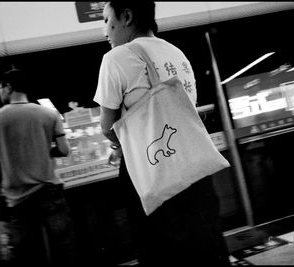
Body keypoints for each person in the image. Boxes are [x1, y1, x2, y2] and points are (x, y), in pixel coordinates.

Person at [93, 2, 231, 266]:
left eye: (106, 20)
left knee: (160, 251)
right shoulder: (177, 53)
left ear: (127, 16)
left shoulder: (116, 58)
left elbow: (107, 127)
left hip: (153, 173)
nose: (104, 31)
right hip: (195, 171)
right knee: (206, 246)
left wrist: (119, 146)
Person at [0, 68, 78, 266]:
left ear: (8, 87)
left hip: (17, 199)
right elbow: (64, 150)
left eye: (0, 88)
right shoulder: (49, 114)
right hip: (50, 194)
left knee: (30, 256)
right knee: (64, 250)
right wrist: (44, 151)